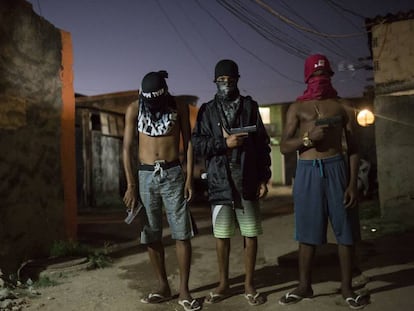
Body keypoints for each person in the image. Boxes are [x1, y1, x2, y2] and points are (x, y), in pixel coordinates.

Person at [278, 54, 369, 309]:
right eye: (315, 76)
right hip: (308, 170)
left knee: (345, 230)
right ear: (307, 78)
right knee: (307, 232)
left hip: (336, 168)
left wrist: (352, 183)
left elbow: (353, 148)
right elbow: (285, 146)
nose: (320, 80)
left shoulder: (342, 106)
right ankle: (304, 286)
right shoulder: (297, 108)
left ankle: (347, 287)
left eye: (324, 75)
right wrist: (308, 139)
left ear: (330, 76)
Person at [192, 59, 271, 306]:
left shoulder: (250, 106)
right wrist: (223, 144)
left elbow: (262, 145)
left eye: (230, 80)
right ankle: (224, 284)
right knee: (222, 235)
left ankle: (249, 284)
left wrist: (263, 177)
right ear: (215, 82)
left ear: (238, 80)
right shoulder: (207, 110)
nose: (226, 84)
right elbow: (197, 143)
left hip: (246, 178)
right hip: (219, 181)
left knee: (250, 233)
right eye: (221, 80)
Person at [122, 70, 201, 311]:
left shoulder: (179, 105)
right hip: (145, 176)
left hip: (173, 173)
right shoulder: (134, 108)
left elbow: (187, 143)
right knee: (151, 233)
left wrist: (188, 178)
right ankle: (162, 286)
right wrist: (131, 185)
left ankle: (184, 291)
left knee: (181, 232)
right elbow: (126, 148)